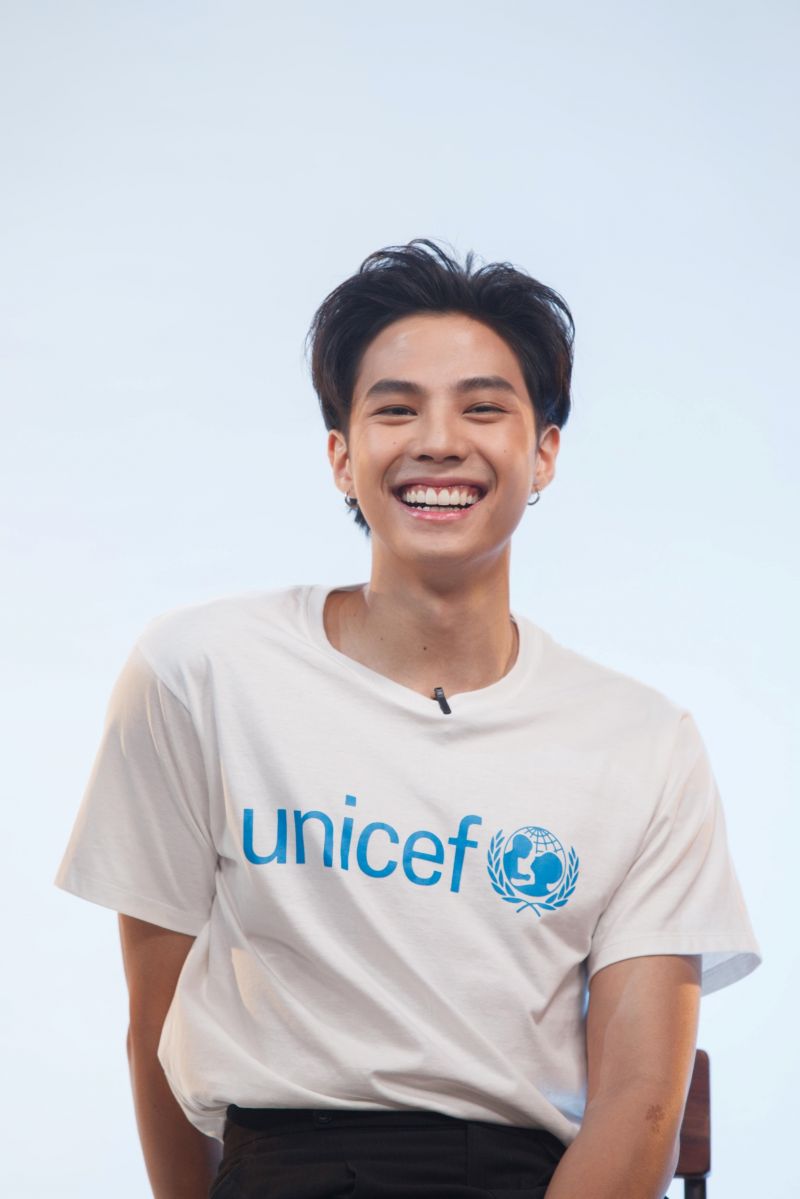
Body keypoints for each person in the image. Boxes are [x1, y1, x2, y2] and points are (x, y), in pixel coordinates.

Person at [56, 239, 761, 1199]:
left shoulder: (643, 744)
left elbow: (641, 1104)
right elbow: (153, 1024)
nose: (438, 441)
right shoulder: (200, 672)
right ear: (342, 457)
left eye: (483, 407)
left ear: (544, 453)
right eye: (395, 409)